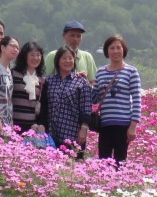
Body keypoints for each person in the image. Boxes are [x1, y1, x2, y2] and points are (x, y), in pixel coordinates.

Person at [94, 34, 142, 166]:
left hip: (123, 125)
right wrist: (84, 82)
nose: (115, 51)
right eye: (112, 48)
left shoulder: (131, 71)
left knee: (120, 163)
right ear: (107, 51)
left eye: (118, 48)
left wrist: (133, 127)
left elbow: (137, 100)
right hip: (105, 124)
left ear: (123, 50)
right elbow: (95, 98)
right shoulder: (100, 72)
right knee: (104, 163)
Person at [40, 46, 93, 155]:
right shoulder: (49, 81)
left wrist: (84, 129)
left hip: (73, 134)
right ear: (57, 60)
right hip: (51, 134)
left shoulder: (81, 82)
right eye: (64, 58)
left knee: (72, 163)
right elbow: (44, 105)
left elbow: (86, 108)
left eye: (70, 58)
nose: (67, 61)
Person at [11, 41, 46, 135]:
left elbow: (43, 105)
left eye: (38, 55)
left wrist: (40, 124)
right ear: (24, 56)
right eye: (32, 55)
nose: (35, 58)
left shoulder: (41, 79)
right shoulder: (13, 74)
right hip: (13, 124)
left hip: (32, 127)